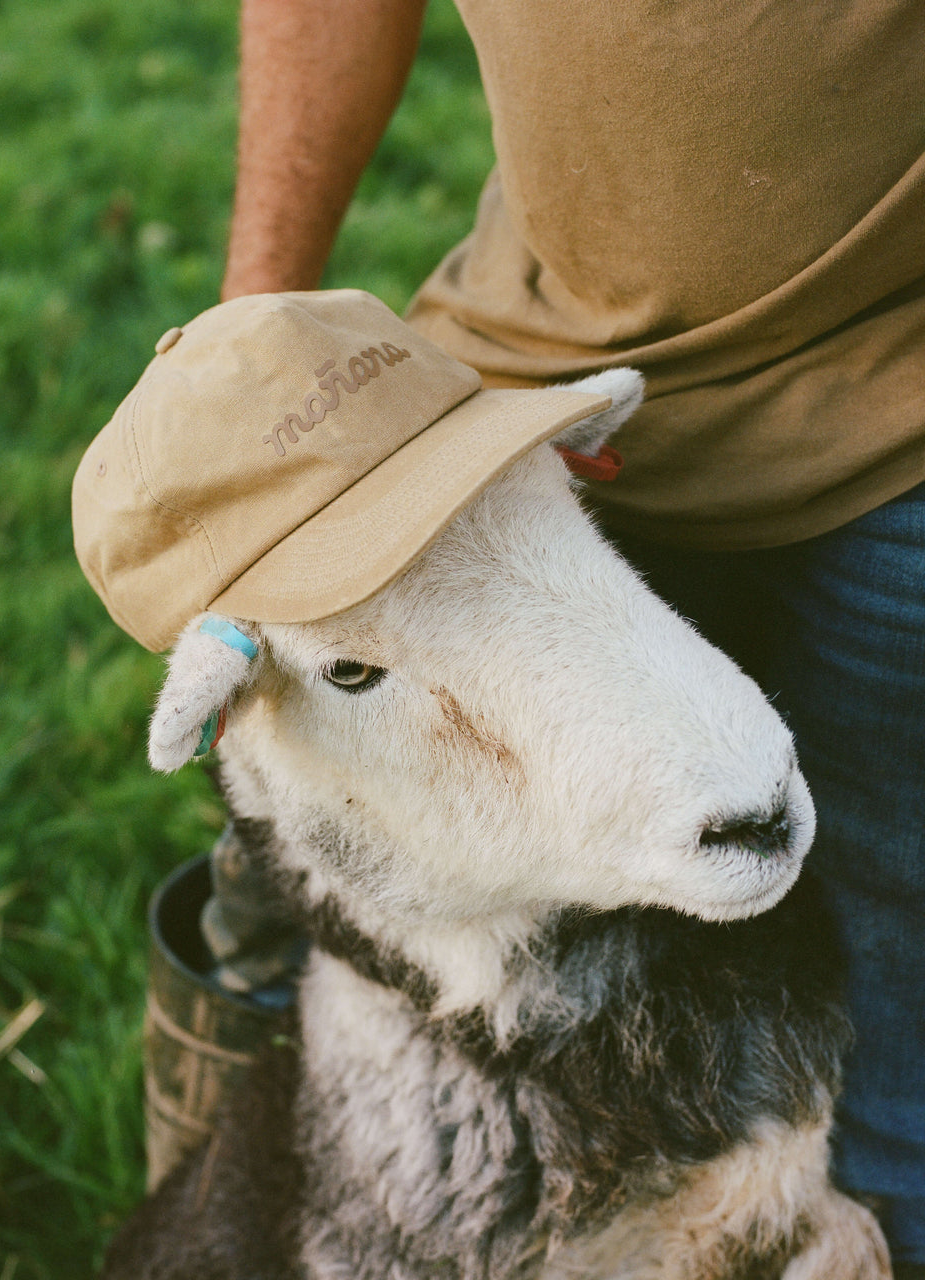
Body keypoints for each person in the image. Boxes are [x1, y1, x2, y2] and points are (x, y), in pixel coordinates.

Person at [217, 0, 925, 1268]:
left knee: (898, 931)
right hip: (528, 382)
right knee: (393, 880)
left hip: (901, 414)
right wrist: (245, 355)